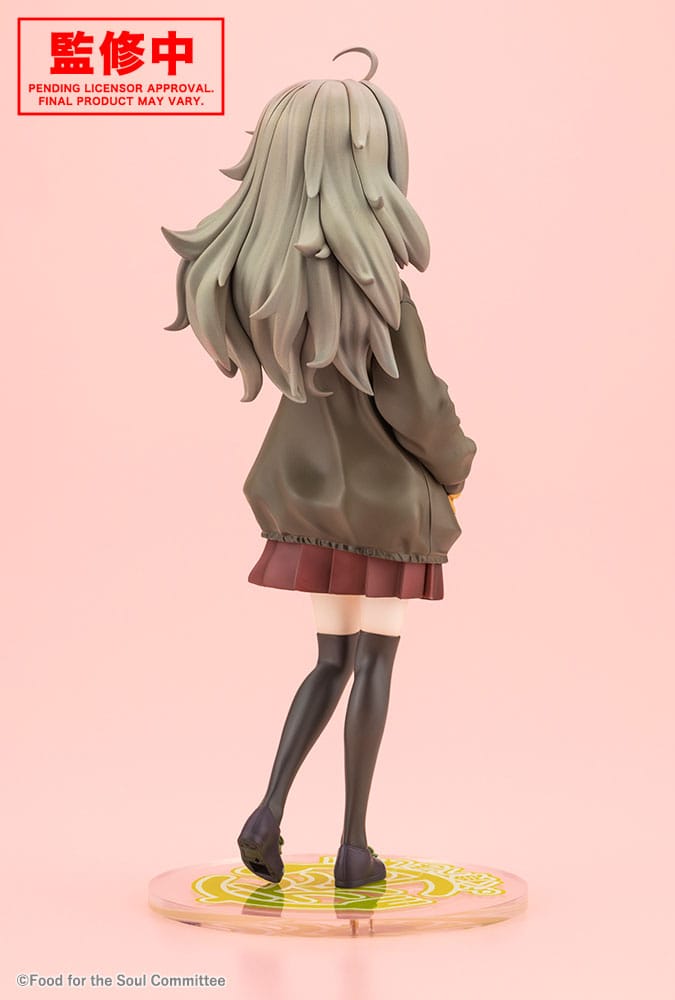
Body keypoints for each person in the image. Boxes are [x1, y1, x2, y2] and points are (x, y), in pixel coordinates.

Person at [162, 47, 477, 890]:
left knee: (328, 661)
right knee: (374, 663)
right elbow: (418, 407)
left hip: (305, 505)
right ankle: (352, 847)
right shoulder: (380, 296)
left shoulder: (269, 286)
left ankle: (265, 813)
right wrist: (458, 466)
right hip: (383, 512)